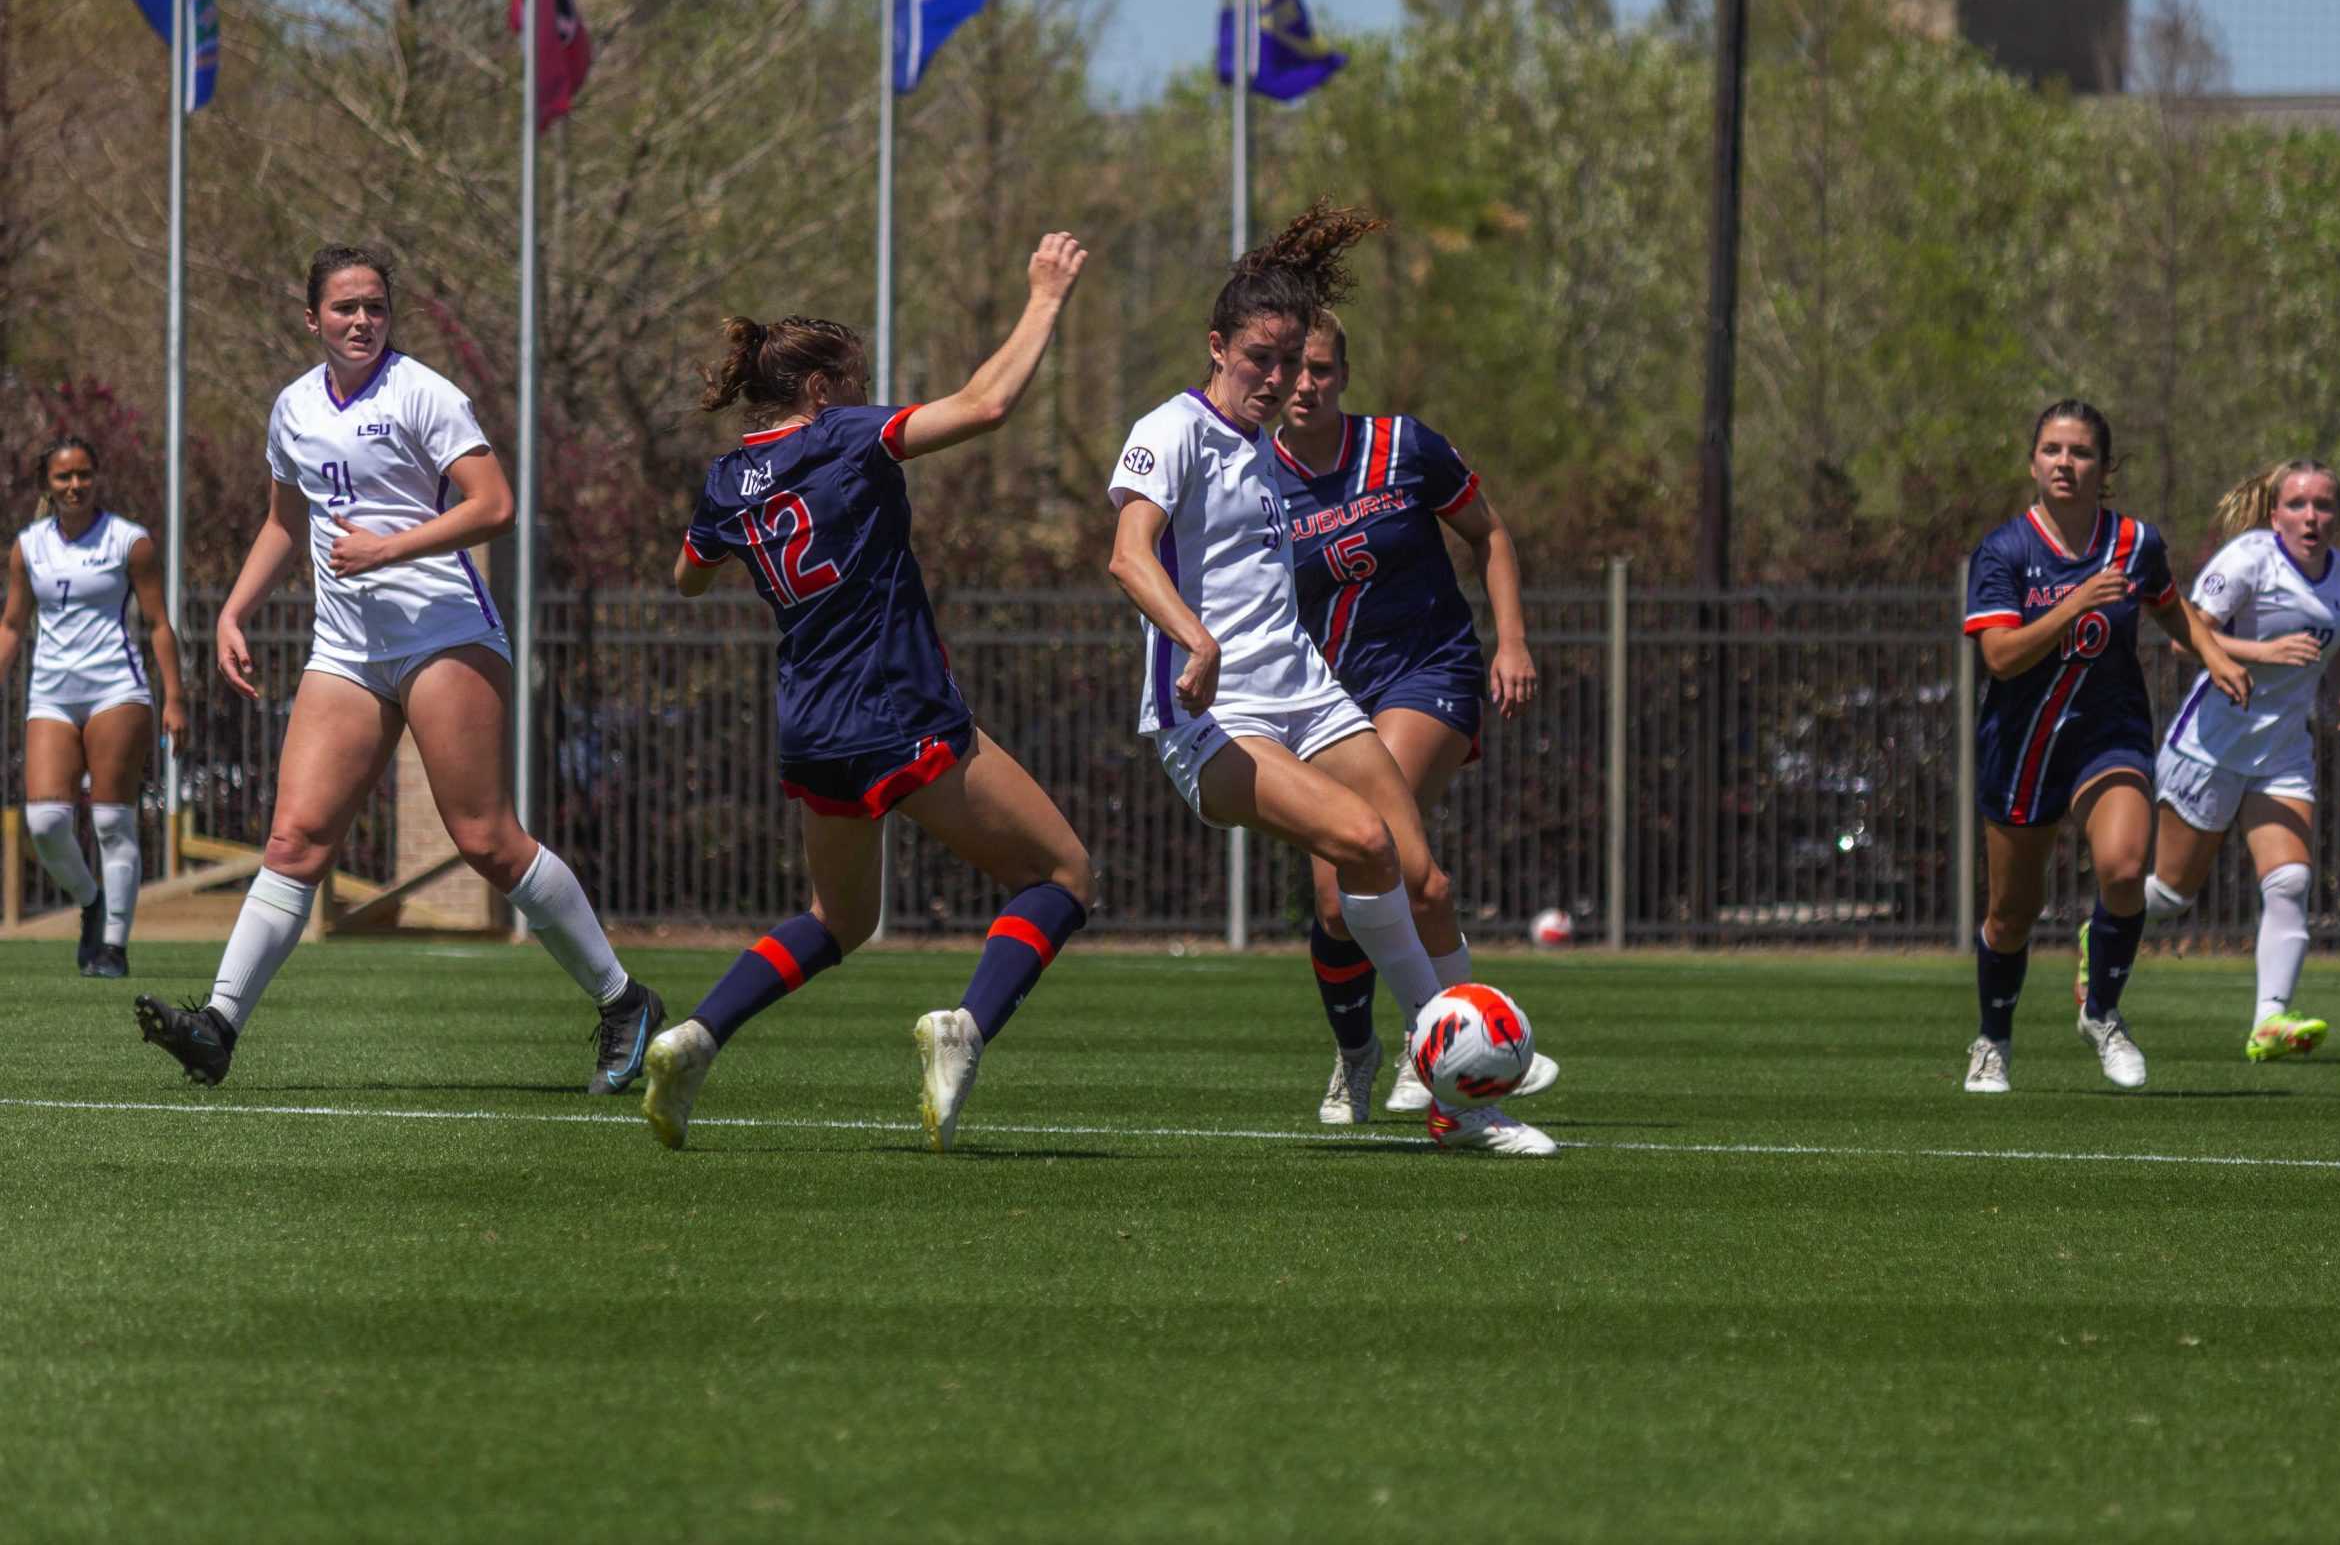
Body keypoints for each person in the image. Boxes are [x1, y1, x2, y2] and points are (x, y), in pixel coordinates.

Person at [134, 245, 661, 1089]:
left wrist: (390, 547)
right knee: (294, 839)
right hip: (345, 646)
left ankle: (623, 998)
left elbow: (495, 505)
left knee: (485, 838)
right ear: (312, 318)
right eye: (344, 307)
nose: (361, 321)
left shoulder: (423, 392)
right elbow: (283, 522)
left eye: (375, 306)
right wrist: (234, 609)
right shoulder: (294, 407)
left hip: (442, 630)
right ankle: (219, 1024)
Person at [1106, 202, 1554, 1157]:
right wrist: (1194, 639)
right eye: (1259, 358)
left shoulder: (1270, 451)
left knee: (1420, 874)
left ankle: (1460, 1072)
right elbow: (1129, 556)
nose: (1275, 379)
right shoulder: (1172, 428)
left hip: (1313, 697)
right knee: (1359, 845)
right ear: (1215, 346)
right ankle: (1462, 1096)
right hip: (1217, 721)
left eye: (1291, 361)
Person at [640, 234, 1096, 1155]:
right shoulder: (841, 436)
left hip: (810, 720)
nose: (863, 395)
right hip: (896, 703)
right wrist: (1045, 296)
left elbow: (688, 574)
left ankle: (697, 1037)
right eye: (854, 382)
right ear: (820, 391)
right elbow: (989, 403)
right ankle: (965, 1026)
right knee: (1062, 874)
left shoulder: (728, 479)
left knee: (839, 919)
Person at [1272, 310, 1559, 1123]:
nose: (1304, 383)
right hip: (1327, 697)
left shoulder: (1403, 447)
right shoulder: (1256, 474)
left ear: (1345, 375)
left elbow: (1489, 533)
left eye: (1321, 368)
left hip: (1429, 671)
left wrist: (1514, 642)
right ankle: (1359, 1051)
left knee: (1386, 843)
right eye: (1292, 367)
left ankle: (1438, 1043)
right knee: (1337, 899)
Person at [1958, 399, 2249, 1095]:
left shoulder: (2134, 542)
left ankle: (2103, 1010)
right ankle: (1992, 1039)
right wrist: (2074, 604)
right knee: (2011, 913)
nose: (2066, 462)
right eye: (2053, 449)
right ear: (2033, 462)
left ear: (2104, 468)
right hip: (2023, 748)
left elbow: (2168, 602)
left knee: (2123, 869)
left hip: (2108, 735)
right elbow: (1999, 656)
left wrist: (2210, 652)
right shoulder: (2005, 552)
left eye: (2081, 451)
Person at [2143, 460, 2340, 1061]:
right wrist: (2262, 650)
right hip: (2211, 744)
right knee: (2169, 893)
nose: (2311, 516)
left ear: (2338, 517)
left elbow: (2333, 647)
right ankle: (2104, 928)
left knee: (2290, 880)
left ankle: (2270, 1020)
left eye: (2323, 505)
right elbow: (2183, 632)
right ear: (2275, 515)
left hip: (2283, 752)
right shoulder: (2248, 559)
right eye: (2297, 504)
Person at [0, 437, 186, 976]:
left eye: (84, 474)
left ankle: (113, 948)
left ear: (96, 477)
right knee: (46, 820)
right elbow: (12, 625)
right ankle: (90, 900)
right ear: (47, 485)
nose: (75, 486)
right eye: (63, 478)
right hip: (51, 692)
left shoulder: (130, 541)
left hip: (116, 691)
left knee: (111, 820)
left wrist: (174, 698)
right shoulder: (28, 546)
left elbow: (158, 624)